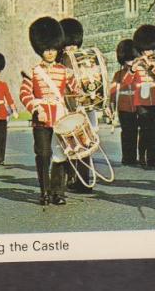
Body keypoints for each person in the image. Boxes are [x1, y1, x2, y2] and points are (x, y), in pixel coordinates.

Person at [19, 17, 79, 206]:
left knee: (60, 155)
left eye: (53, 48)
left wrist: (73, 77)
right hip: (41, 118)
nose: (50, 52)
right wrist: (36, 108)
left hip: (60, 116)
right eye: (46, 49)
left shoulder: (63, 70)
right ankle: (44, 190)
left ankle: (58, 191)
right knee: (43, 154)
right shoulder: (34, 71)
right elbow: (24, 94)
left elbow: (76, 92)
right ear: (40, 50)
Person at [59, 18, 95, 191]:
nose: (70, 48)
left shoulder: (85, 59)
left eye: (73, 45)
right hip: (66, 106)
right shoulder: (59, 62)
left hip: (83, 106)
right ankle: (71, 176)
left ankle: (83, 179)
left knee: (85, 143)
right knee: (68, 145)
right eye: (67, 45)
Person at [131, 24, 155, 169]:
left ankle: (153, 159)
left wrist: (150, 64)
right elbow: (129, 78)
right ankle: (142, 157)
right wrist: (137, 64)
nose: (148, 51)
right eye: (145, 49)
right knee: (144, 130)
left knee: (154, 130)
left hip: (153, 97)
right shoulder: (136, 63)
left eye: (150, 49)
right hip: (141, 98)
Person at [111, 39, 138, 166]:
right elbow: (113, 91)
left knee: (135, 132)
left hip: (136, 104)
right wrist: (112, 107)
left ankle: (135, 156)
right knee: (127, 132)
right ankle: (128, 157)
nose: (130, 62)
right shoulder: (118, 74)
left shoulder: (137, 71)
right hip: (124, 106)